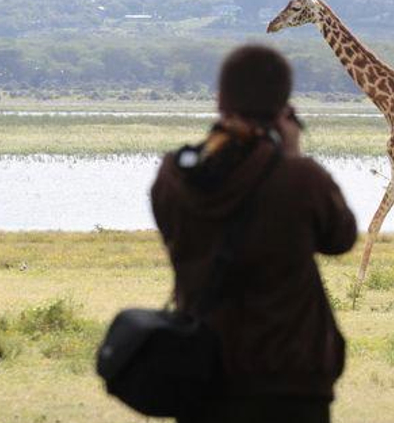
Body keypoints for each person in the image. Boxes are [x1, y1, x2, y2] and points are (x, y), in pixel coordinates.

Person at [150, 45, 357, 423]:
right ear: (283, 107)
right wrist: (292, 156)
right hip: (292, 385)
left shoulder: (173, 178)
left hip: (204, 378)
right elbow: (340, 238)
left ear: (219, 101)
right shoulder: (301, 179)